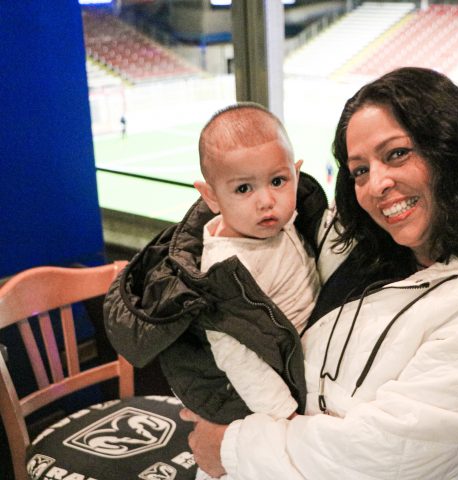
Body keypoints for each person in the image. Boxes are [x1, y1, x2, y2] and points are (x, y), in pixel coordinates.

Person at [115, 67, 458, 479]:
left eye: (398, 153)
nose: (376, 184)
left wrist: (231, 446)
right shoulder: (377, 240)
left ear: (454, 149)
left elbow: (383, 457)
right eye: (360, 170)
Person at [103, 103, 328, 477]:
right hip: (258, 404)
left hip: (299, 363)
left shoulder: (282, 223)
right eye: (243, 188)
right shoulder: (223, 270)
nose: (266, 200)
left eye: (278, 181)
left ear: (297, 172)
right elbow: (235, 354)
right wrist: (282, 417)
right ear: (210, 196)